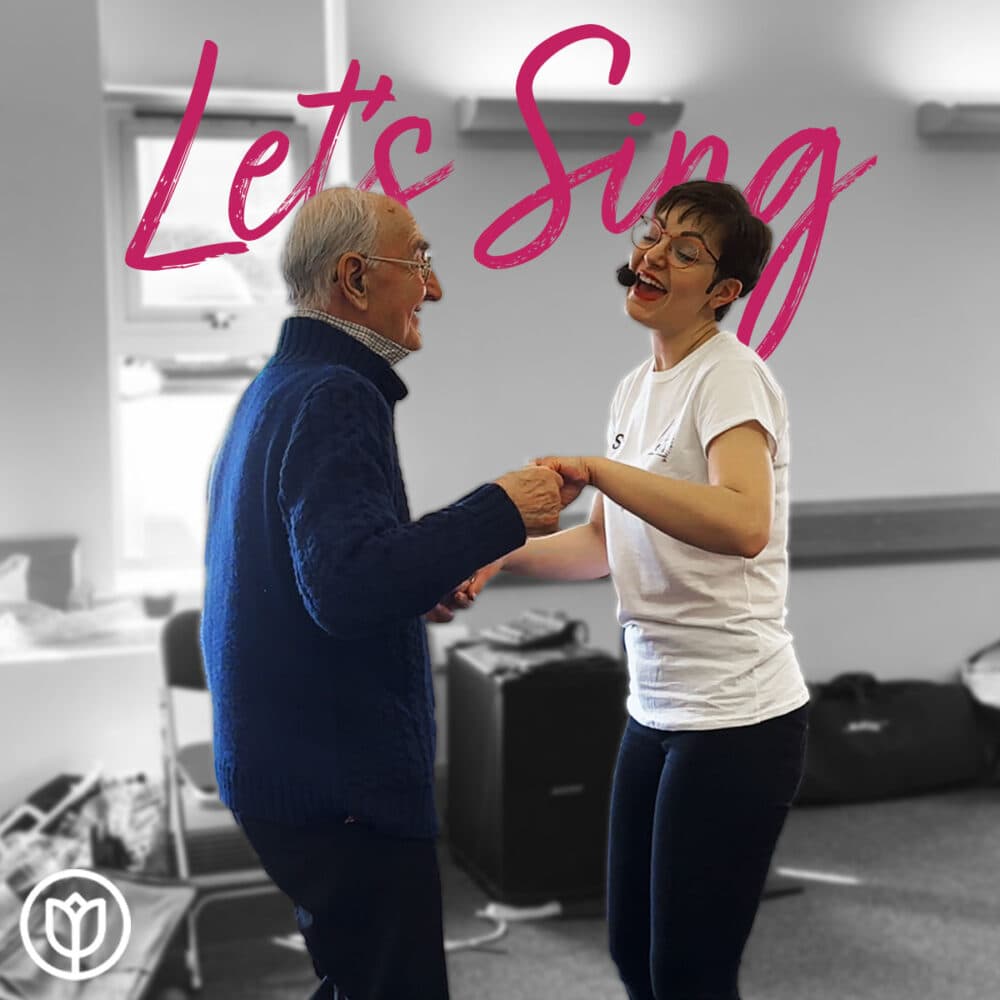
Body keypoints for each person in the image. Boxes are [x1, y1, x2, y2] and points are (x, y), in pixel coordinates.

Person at [200, 186, 570, 1000]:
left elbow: (319, 568)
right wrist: (503, 510)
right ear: (356, 279)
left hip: (285, 769)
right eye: (422, 263)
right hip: (338, 784)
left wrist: (420, 580)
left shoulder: (279, 386)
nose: (433, 288)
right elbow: (349, 587)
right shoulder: (336, 392)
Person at [468, 180, 810, 1000]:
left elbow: (742, 523)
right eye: (653, 235)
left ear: (723, 292)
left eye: (685, 251)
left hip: (737, 720)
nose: (653, 254)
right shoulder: (635, 388)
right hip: (654, 711)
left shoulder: (729, 377)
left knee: (688, 974)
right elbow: (601, 545)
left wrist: (601, 471)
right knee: (631, 952)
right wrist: (496, 556)